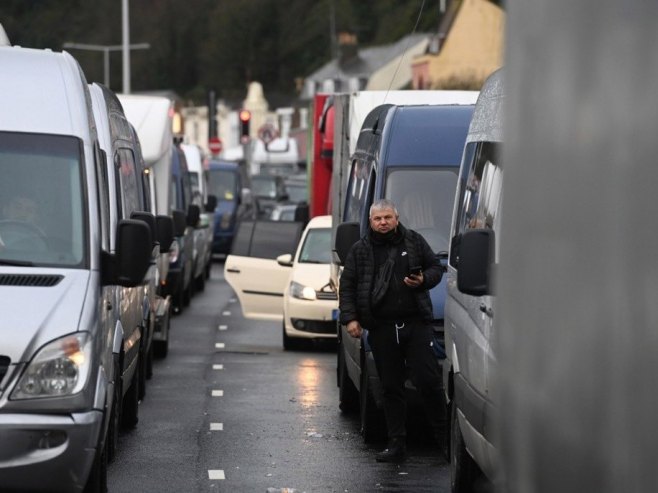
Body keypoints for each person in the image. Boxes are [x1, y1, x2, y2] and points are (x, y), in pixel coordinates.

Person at [339, 198, 446, 463]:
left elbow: (436, 268)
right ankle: (397, 443)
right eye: (378, 219)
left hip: (416, 324)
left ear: (397, 218)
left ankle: (445, 441)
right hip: (382, 327)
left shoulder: (413, 241)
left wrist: (423, 280)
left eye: (388, 217)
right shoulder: (360, 250)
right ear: (371, 222)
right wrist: (350, 318)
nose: (383, 222)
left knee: (429, 382)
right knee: (390, 388)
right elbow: (348, 285)